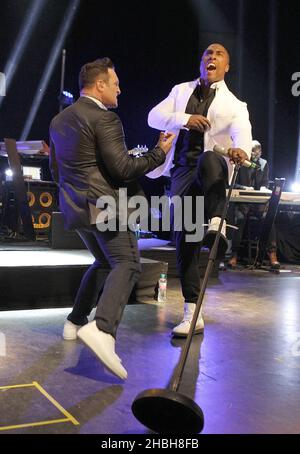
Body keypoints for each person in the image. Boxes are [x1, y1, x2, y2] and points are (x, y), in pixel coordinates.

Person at [49, 57, 175, 379]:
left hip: (75, 207)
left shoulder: (60, 120)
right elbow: (122, 169)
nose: (120, 89)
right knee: (129, 263)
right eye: (115, 83)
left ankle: (75, 321)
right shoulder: (106, 119)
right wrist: (158, 153)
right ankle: (103, 329)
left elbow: (56, 170)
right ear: (100, 84)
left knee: (104, 263)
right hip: (105, 206)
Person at [147, 43, 252, 337]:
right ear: (201, 62)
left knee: (209, 158)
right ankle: (193, 312)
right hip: (182, 175)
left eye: (219, 55)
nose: (212, 57)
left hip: (212, 176)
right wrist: (184, 119)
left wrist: (240, 150)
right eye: (208, 54)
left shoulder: (235, 104)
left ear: (226, 67)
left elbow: (243, 134)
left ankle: (218, 220)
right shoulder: (180, 92)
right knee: (186, 243)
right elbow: (153, 117)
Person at [228, 140, 280, 269]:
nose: (254, 155)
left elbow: (264, 182)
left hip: (257, 202)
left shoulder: (263, 164)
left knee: (269, 218)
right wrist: (245, 188)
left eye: (256, 152)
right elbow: (232, 183)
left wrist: (263, 188)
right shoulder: (241, 163)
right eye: (252, 152)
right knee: (239, 218)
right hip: (242, 201)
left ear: (260, 152)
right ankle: (233, 254)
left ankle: (272, 254)